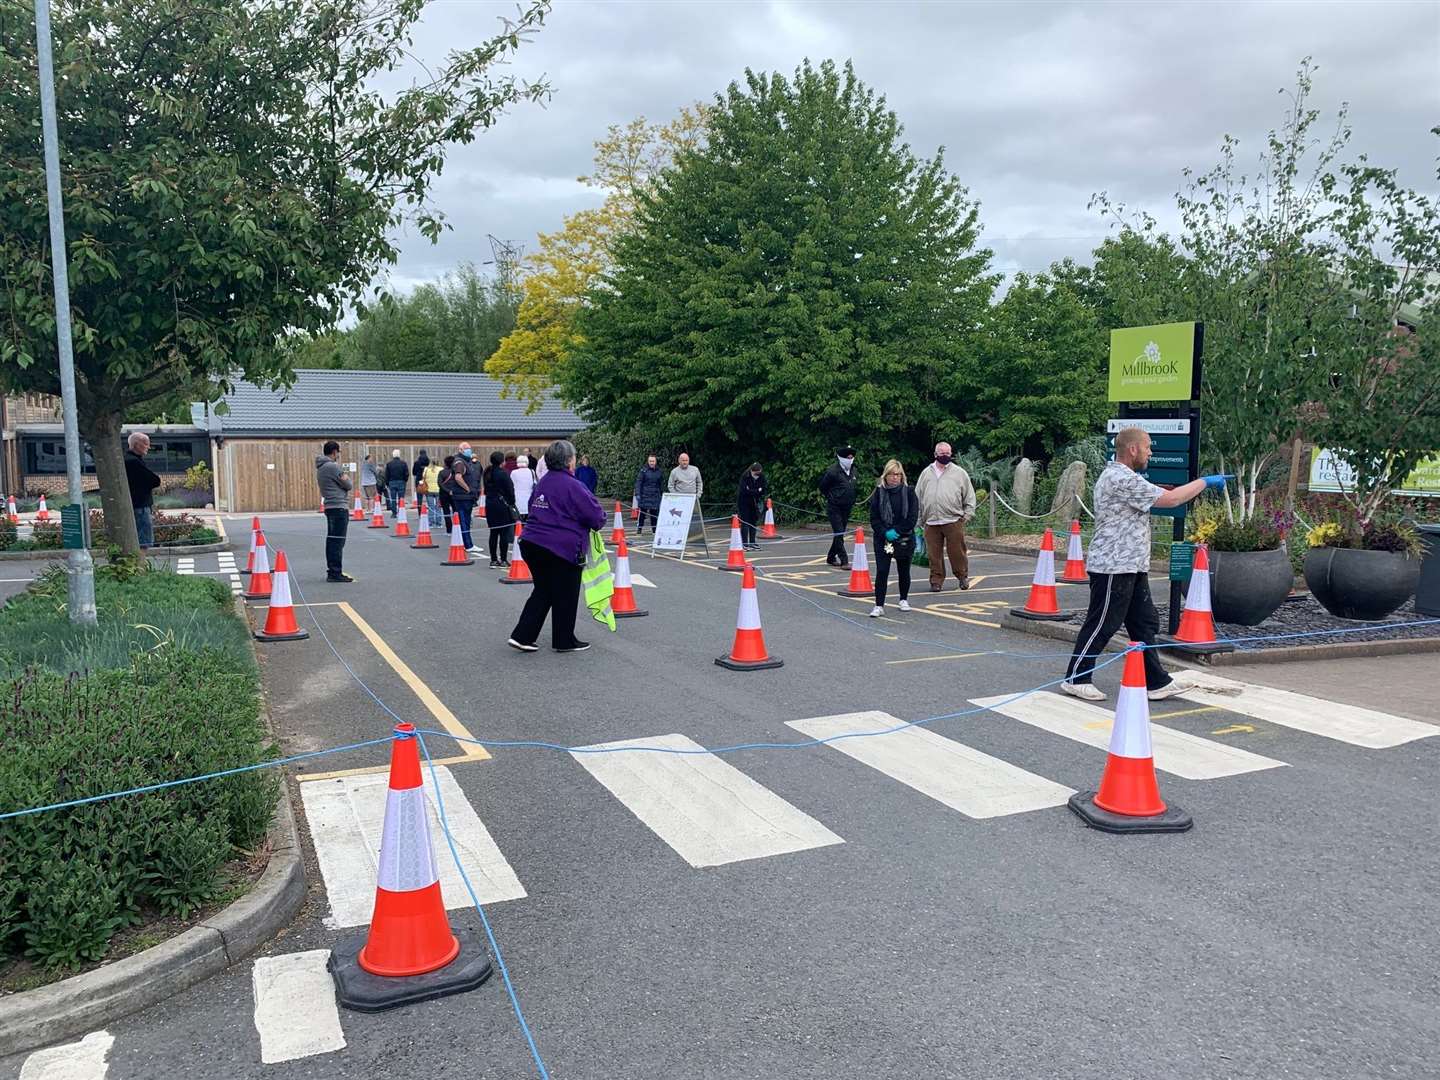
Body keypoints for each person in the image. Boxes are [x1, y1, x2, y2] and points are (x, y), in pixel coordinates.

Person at [1062, 427, 1230, 702]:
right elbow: (1172, 500)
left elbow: (1158, 496)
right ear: (1132, 449)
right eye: (1148, 447)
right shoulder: (1120, 478)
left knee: (1144, 623)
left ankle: (1156, 681)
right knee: (1103, 622)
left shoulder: (1125, 478)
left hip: (1131, 565)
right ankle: (1076, 678)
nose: (1151, 452)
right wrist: (1205, 482)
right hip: (1113, 566)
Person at [507, 439, 606, 654]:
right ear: (569, 461)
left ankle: (522, 635)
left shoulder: (543, 482)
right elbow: (595, 515)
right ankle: (564, 640)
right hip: (561, 545)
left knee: (544, 590)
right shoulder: (573, 485)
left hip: (532, 542)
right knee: (567, 593)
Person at [915, 441, 977, 592]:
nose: (945, 456)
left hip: (953, 520)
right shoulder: (926, 473)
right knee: (933, 554)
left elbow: (969, 495)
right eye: (942, 453)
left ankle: (962, 577)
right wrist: (917, 519)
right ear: (935, 454)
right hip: (931, 521)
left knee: (957, 552)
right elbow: (918, 496)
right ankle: (936, 581)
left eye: (948, 453)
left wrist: (968, 514)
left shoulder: (959, 473)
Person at [868, 459, 918, 616]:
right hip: (883, 538)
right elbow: (874, 519)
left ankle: (903, 599)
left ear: (902, 476)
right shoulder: (879, 493)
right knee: (882, 571)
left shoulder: (909, 492)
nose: (895, 477)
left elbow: (912, 517)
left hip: (904, 538)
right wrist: (885, 532)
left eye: (898, 474)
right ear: (886, 476)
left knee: (904, 570)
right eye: (891, 474)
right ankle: (879, 605)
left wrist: (897, 531)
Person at [316, 440, 354, 582]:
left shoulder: (320, 467)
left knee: (332, 540)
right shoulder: (333, 467)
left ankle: (332, 570)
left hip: (330, 506)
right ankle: (335, 572)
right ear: (334, 452)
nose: (338, 455)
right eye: (338, 452)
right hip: (339, 506)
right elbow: (348, 484)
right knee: (338, 541)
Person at [818, 445, 858, 567]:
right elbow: (823, 487)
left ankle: (831, 557)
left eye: (852, 457)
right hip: (834, 507)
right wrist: (832, 497)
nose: (850, 459)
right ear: (841, 458)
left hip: (847, 506)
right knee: (839, 532)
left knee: (839, 533)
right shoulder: (832, 471)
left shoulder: (853, 470)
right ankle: (844, 560)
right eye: (848, 457)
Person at [444, 443, 483, 554]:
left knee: (464, 520)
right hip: (463, 496)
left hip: (464, 496)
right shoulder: (460, 462)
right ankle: (468, 544)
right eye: (466, 448)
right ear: (460, 450)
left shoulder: (464, 461)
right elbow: (458, 477)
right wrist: (468, 489)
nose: (469, 450)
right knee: (464, 521)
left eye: (469, 448)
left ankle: (465, 543)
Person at [124, 431, 161, 548]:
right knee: (143, 542)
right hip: (140, 506)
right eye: (146, 444)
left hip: (134, 504)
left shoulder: (127, 459)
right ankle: (141, 565)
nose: (148, 447)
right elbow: (154, 480)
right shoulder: (134, 462)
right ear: (137, 444)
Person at [484, 451, 518, 567]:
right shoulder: (503, 474)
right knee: (504, 532)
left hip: (490, 503)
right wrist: (512, 503)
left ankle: (493, 559)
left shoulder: (487, 472)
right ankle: (503, 559)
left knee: (493, 532)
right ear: (502, 461)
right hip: (502, 505)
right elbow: (510, 489)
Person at [736, 462, 767, 550]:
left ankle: (752, 542)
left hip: (755, 502)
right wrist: (757, 490)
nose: (758, 475)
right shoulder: (745, 477)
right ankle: (745, 543)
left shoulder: (761, 476)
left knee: (753, 522)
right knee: (745, 522)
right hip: (744, 502)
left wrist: (753, 490)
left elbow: (763, 489)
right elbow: (744, 491)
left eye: (759, 473)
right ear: (752, 471)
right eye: (756, 473)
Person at [633, 454, 665, 534]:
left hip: (655, 495)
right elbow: (638, 482)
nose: (651, 463)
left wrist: (662, 494)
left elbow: (661, 484)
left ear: (655, 462)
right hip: (644, 495)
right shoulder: (643, 471)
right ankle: (639, 528)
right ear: (648, 461)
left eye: (653, 461)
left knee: (654, 514)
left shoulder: (659, 471)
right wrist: (638, 494)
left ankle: (654, 530)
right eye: (650, 461)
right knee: (642, 514)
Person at [383, 449, 408, 514]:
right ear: (399, 455)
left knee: (393, 498)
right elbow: (406, 474)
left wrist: (387, 483)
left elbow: (387, 475)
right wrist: (405, 480)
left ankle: (394, 513)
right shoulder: (403, 463)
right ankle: (401, 511)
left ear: (393, 455)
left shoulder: (389, 464)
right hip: (401, 482)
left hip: (392, 482)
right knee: (401, 498)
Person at [421, 454, 444, 526]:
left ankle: (431, 522)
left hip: (429, 490)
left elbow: (423, 478)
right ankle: (439, 522)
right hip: (438, 490)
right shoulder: (441, 469)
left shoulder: (426, 469)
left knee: (431, 507)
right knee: (438, 507)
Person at [512, 453, 536, 520]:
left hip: (517, 500)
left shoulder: (514, 472)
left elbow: (512, 485)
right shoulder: (532, 472)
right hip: (529, 499)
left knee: (518, 522)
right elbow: (534, 483)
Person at [412, 449, 431, 520]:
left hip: (419, 480)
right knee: (429, 497)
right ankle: (431, 513)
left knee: (419, 498)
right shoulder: (429, 462)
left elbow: (413, 472)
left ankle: (420, 514)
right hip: (427, 480)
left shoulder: (417, 463)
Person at [437, 454, 456, 525]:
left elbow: (440, 483)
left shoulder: (442, 472)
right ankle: (457, 526)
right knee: (456, 511)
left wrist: (447, 490)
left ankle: (449, 529)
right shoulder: (456, 472)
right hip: (455, 493)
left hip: (444, 494)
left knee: (446, 511)